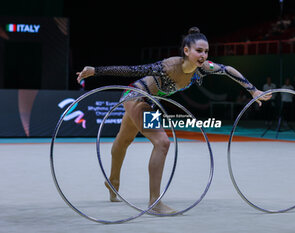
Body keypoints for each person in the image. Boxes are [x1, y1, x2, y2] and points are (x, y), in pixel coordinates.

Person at [76, 27, 272, 214]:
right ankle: (154, 202)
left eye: (206, 51)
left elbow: (227, 69)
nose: (203, 56)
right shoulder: (168, 66)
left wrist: (253, 90)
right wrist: (96, 71)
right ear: (186, 50)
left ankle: (113, 181)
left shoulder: (202, 68)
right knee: (162, 143)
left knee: (125, 138)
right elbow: (132, 69)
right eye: (199, 51)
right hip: (137, 96)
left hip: (146, 102)